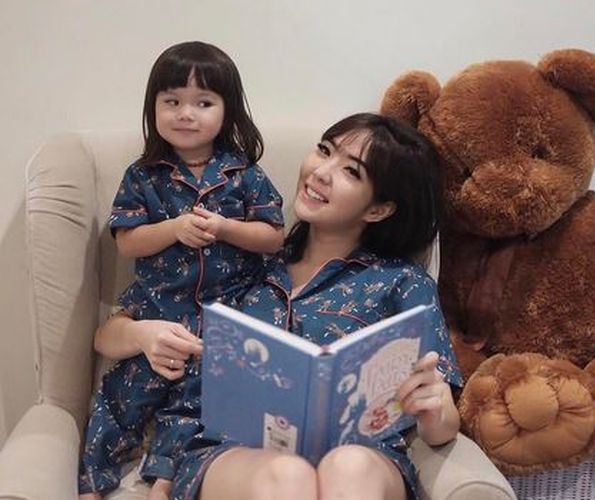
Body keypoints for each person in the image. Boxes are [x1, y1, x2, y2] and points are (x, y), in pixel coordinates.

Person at [95, 113, 463, 500]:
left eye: (351, 172)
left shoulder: (403, 283)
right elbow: (108, 335)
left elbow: (440, 417)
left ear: (378, 209)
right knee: (287, 476)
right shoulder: (243, 256)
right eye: (324, 151)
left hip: (363, 451)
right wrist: (143, 334)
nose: (321, 172)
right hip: (235, 450)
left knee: (349, 467)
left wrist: (438, 411)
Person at [78, 41, 284, 500]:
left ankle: (165, 480)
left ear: (227, 111)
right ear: (153, 108)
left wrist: (226, 228)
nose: (186, 114)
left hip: (228, 310)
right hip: (157, 305)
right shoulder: (142, 175)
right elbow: (128, 240)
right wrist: (174, 228)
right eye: (172, 101)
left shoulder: (244, 174)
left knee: (200, 397)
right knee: (121, 395)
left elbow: (273, 236)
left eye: (203, 103)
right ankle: (91, 483)